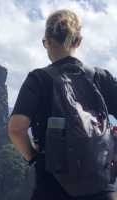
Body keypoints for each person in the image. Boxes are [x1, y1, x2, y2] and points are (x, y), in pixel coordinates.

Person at [8, 9, 117, 200]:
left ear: (48, 41)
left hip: (52, 186)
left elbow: (16, 129)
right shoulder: (102, 78)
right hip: (102, 186)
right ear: (78, 41)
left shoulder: (38, 79)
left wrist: (33, 157)